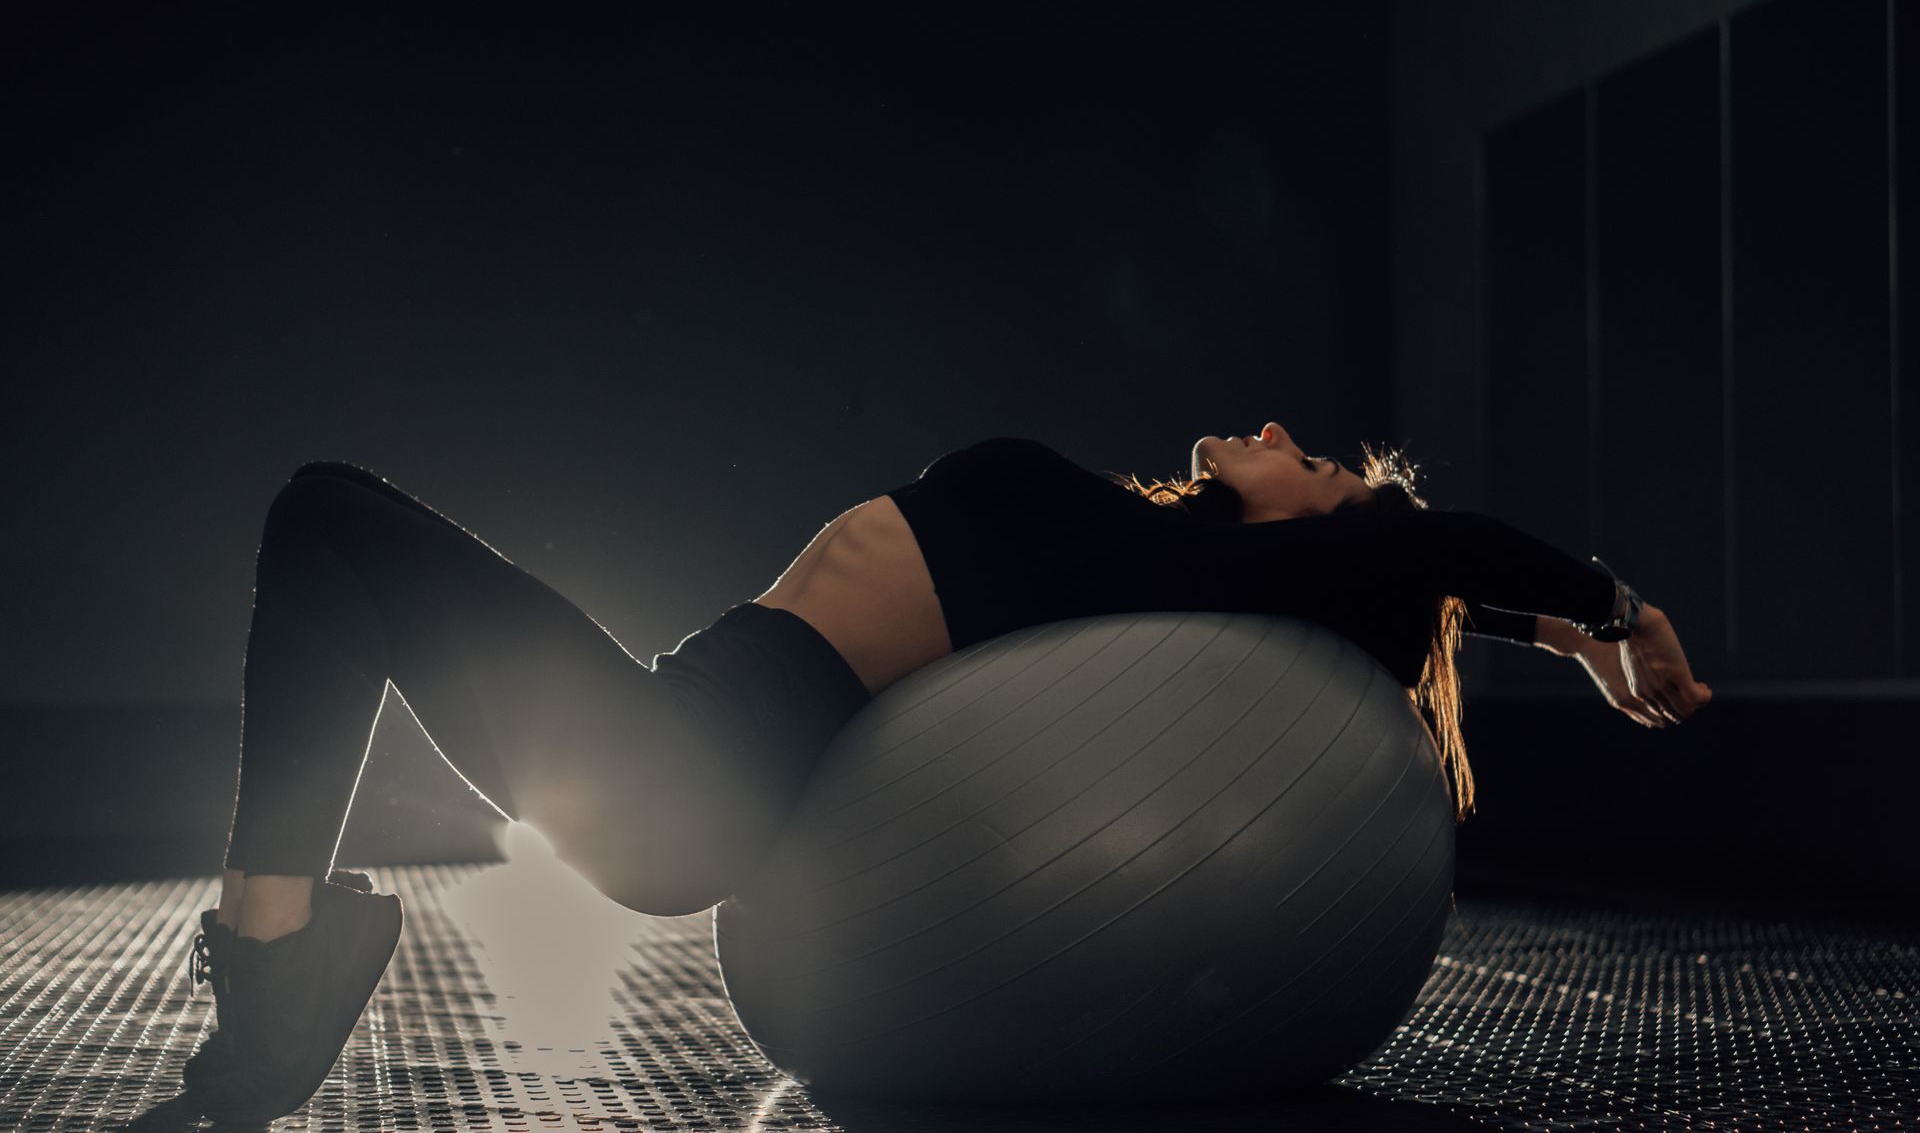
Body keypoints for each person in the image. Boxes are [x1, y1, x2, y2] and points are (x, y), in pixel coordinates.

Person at [181, 421, 1712, 1122]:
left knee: (326, 517)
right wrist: (1553, 632)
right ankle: (284, 962)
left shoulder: (1193, 578)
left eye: (1313, 461)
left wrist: (1610, 615)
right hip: (679, 715)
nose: (1278, 430)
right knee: (329, 545)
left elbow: (1433, 554)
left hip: (694, 770)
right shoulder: (1143, 540)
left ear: (1326, 533)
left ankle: (278, 964)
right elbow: (1436, 573)